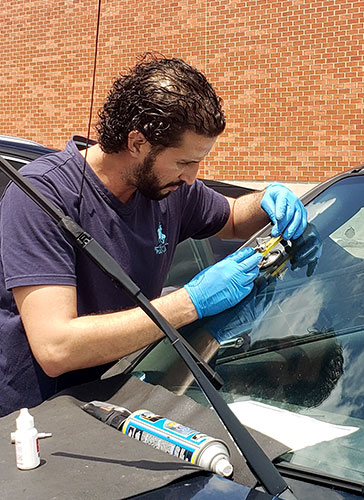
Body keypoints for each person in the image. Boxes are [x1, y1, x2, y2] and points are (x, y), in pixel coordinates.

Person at [0, 56, 308, 417]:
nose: (193, 177)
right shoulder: (44, 195)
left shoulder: (168, 190)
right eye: (184, 162)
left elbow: (234, 218)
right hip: (38, 422)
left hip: (118, 402)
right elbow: (56, 348)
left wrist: (269, 199)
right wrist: (190, 302)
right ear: (137, 142)